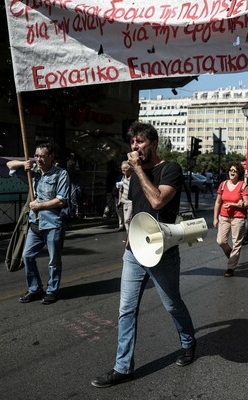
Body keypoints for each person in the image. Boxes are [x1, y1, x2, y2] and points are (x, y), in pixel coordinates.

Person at [92, 122, 196, 388]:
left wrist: (138, 169)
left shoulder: (170, 169)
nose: (135, 147)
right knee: (126, 309)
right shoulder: (134, 176)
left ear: (154, 143)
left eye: (140, 142)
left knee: (172, 303)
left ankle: (188, 341)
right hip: (135, 251)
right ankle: (123, 367)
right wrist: (129, 238)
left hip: (162, 252)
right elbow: (136, 210)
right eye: (133, 143)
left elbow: (158, 201)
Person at [6, 143, 70, 305]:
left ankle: (52, 291)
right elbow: (9, 165)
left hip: (53, 224)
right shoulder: (32, 171)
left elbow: (61, 200)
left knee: (54, 261)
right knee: (27, 256)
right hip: (35, 224)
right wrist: (23, 163)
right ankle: (35, 288)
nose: (38, 159)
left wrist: (40, 206)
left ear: (51, 157)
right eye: (36, 155)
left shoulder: (60, 174)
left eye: (42, 156)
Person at [213, 161, 248, 277]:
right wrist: (215, 218)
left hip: (238, 218)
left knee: (236, 243)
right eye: (231, 170)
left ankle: (231, 267)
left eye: (235, 171)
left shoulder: (243, 186)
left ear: (239, 173)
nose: (232, 172)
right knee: (221, 241)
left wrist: (236, 205)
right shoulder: (223, 184)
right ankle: (232, 256)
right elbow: (218, 202)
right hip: (224, 216)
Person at [117, 160, 133, 232]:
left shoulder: (133, 177)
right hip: (124, 202)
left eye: (124, 169)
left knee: (127, 220)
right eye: (122, 170)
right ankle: (129, 237)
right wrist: (119, 200)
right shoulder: (123, 177)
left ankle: (131, 237)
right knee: (126, 222)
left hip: (131, 202)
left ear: (129, 168)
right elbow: (120, 189)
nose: (123, 171)